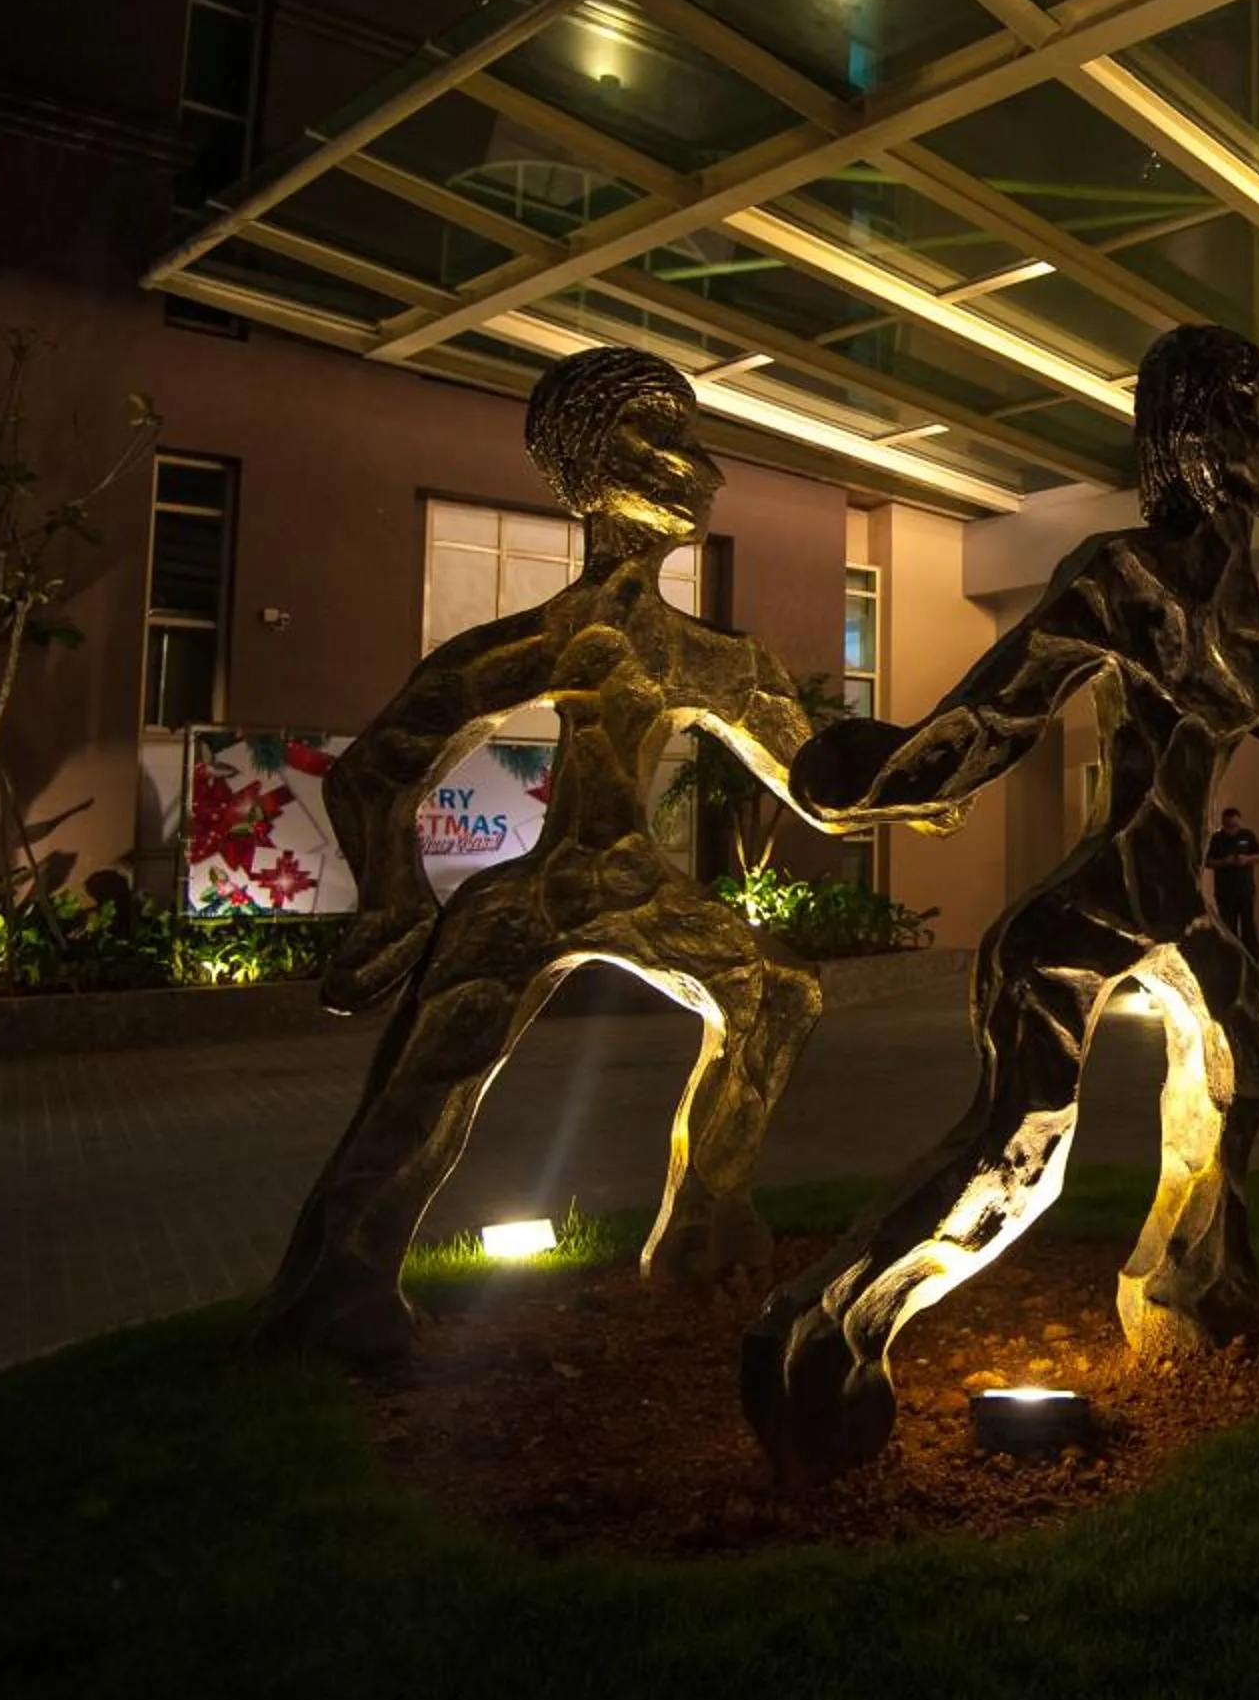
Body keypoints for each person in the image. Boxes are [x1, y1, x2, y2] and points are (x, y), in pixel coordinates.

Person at [748, 323, 1259, 1481]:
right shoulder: (1119, 576)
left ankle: (1185, 1290)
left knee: (1238, 1081)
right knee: (1020, 1152)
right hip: (1088, 914)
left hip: (1182, 917)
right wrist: (876, 779)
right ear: (1201, 434)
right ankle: (827, 1323)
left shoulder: (1238, 608)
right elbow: (997, 713)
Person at [263, 348, 848, 1360]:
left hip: (636, 885)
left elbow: (827, 784)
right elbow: (375, 771)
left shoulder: (719, 661)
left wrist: (933, 778)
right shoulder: (547, 638)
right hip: (537, 891)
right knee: (430, 1079)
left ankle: (706, 1224)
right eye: (652, 431)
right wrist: (393, 907)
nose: (691, 465)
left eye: (687, 433)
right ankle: (334, 1293)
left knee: (776, 993)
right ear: (586, 464)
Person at [1203, 805, 1259, 958]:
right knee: (1228, 927)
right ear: (1223, 824)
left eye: (1235, 825)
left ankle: (1254, 959)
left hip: (1245, 890)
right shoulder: (1217, 839)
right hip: (1224, 891)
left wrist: (1247, 859)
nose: (1232, 829)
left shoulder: (1247, 835)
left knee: (1249, 926)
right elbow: (1207, 862)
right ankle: (1231, 958)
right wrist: (1224, 862)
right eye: (1229, 826)